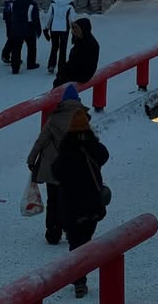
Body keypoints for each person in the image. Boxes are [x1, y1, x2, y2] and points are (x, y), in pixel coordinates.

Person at [51, 108, 109, 298]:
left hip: (72, 205)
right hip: (92, 204)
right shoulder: (93, 147)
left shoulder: (66, 149)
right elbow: (104, 156)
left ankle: (79, 281)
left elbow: (56, 172)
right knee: (86, 240)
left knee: (76, 244)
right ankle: (81, 274)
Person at [27, 84, 87, 245]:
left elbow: (41, 141)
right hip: (73, 168)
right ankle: (69, 228)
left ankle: (53, 232)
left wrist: (31, 159)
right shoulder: (82, 118)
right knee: (70, 199)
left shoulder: (54, 118)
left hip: (53, 167)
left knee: (53, 200)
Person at [54, 18, 100, 88]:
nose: (74, 32)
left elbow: (79, 64)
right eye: (73, 29)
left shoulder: (89, 44)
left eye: (76, 29)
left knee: (59, 83)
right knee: (59, 79)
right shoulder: (81, 40)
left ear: (83, 29)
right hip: (77, 73)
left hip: (81, 75)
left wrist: (63, 72)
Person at [45, 0, 77, 76]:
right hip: (64, 29)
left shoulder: (54, 1)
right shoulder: (70, 4)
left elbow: (49, 16)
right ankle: (61, 68)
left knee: (54, 47)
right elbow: (72, 19)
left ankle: (51, 65)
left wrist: (45, 29)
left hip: (53, 28)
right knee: (63, 48)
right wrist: (74, 33)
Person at [9, 0, 41, 74]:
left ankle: (15, 68)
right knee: (31, 47)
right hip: (28, 29)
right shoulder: (32, 4)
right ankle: (31, 64)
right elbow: (35, 18)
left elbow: (11, 15)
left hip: (16, 28)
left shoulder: (15, 2)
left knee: (16, 48)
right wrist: (38, 29)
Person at [1, 0, 16, 64]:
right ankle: (8, 56)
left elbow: (5, 14)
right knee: (14, 40)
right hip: (14, 24)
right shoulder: (15, 3)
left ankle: (6, 55)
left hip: (8, 23)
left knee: (10, 39)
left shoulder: (7, 2)